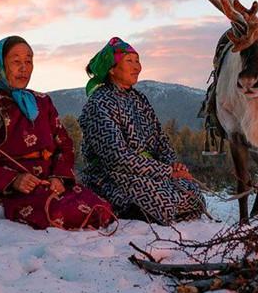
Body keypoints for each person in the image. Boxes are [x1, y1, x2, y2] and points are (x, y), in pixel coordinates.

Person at [0, 36, 114, 230]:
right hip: (10, 190)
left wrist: (58, 177)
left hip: (50, 183)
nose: (23, 68)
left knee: (102, 207)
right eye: (16, 62)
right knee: (58, 212)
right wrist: (13, 180)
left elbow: (64, 144)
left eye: (28, 61)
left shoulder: (43, 102)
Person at [77, 37, 206, 225]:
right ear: (112, 69)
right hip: (111, 174)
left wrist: (173, 165)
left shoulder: (139, 99)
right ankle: (131, 209)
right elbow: (117, 158)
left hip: (147, 170)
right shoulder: (99, 104)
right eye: (129, 61)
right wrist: (166, 171)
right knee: (165, 201)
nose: (136, 67)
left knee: (192, 192)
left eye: (137, 61)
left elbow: (160, 140)